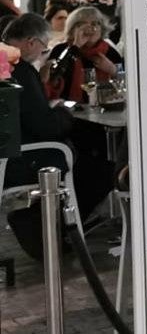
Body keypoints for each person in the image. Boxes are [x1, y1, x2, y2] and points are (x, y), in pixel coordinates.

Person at [1, 14, 74, 259]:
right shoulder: (20, 70)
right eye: (44, 48)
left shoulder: (5, 63)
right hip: (22, 161)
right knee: (82, 156)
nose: (44, 53)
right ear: (31, 42)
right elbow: (46, 127)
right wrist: (63, 110)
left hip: (8, 155)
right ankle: (59, 234)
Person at [46, 6, 123, 104]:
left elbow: (126, 84)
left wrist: (113, 70)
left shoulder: (110, 52)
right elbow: (52, 78)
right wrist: (76, 46)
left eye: (94, 24)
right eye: (82, 24)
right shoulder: (61, 50)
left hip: (104, 109)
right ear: (73, 29)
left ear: (102, 28)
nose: (89, 29)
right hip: (67, 110)